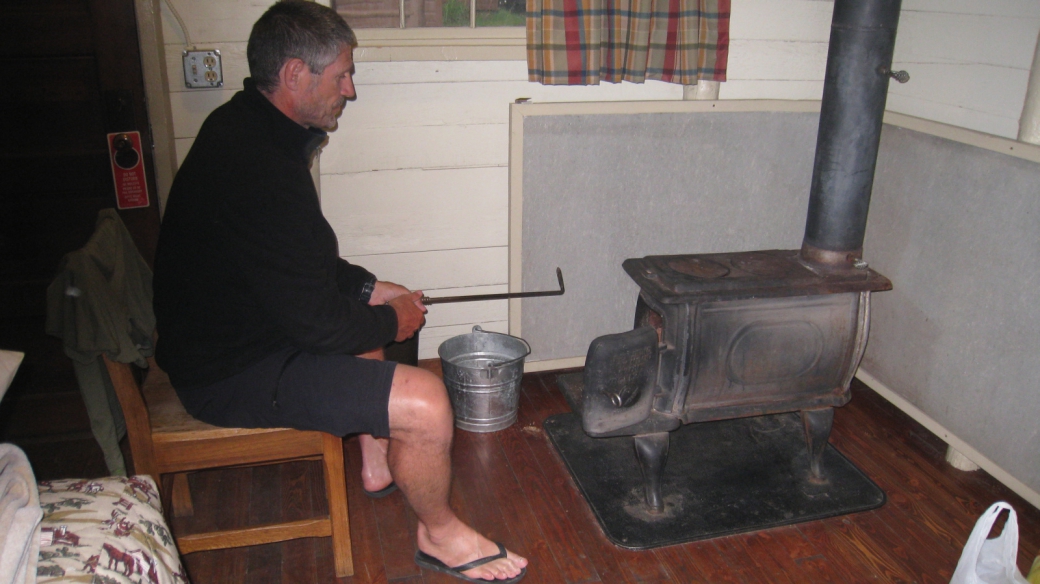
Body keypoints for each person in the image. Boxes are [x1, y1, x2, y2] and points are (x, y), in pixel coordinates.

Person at [151, 1, 528, 581]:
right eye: (341, 76)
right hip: (227, 372)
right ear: (295, 75)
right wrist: (394, 322)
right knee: (427, 404)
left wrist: (371, 287)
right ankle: (440, 534)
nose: (349, 90)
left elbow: (295, 260)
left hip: (242, 330)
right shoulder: (258, 165)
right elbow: (317, 325)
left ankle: (377, 461)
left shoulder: (247, 127)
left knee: (365, 304)